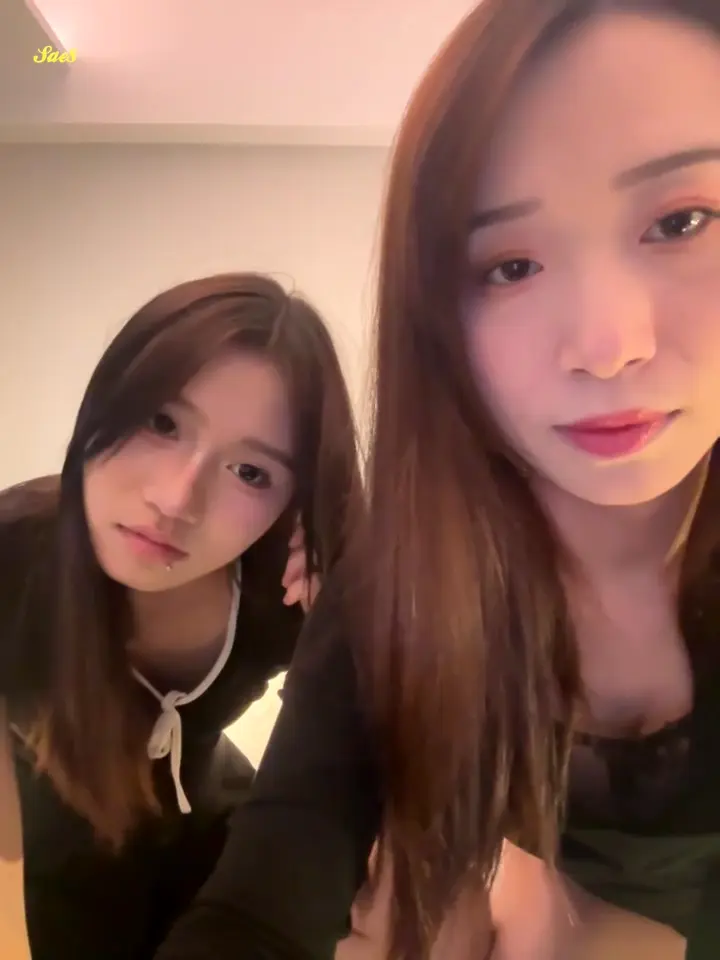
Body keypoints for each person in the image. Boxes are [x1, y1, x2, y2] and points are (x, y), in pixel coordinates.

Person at [154, 2, 720, 958]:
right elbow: (260, 904)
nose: (607, 345)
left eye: (681, 221)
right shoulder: (397, 585)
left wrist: (604, 936)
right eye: (511, 265)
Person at [0, 272, 362, 959]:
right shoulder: (13, 554)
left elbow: (373, 771)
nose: (175, 500)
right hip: (45, 868)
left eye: (251, 473)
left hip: (214, 845)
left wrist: (342, 626)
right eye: (161, 423)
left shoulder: (279, 588)